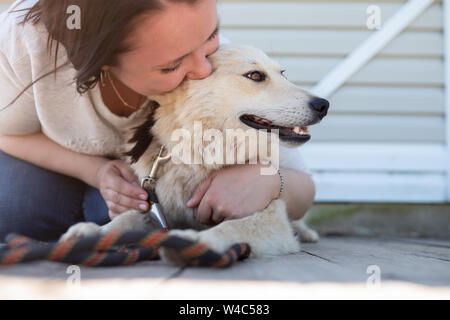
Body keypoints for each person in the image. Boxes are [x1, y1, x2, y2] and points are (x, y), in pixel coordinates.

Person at [0, 0, 316, 242]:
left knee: (138, 220)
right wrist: (95, 171)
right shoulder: (25, 42)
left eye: (211, 34)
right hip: (45, 155)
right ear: (104, 62)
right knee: (15, 213)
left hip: (139, 180)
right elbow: (7, 134)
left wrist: (268, 179)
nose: (203, 70)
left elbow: (301, 187)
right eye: (171, 66)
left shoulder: (220, 67)